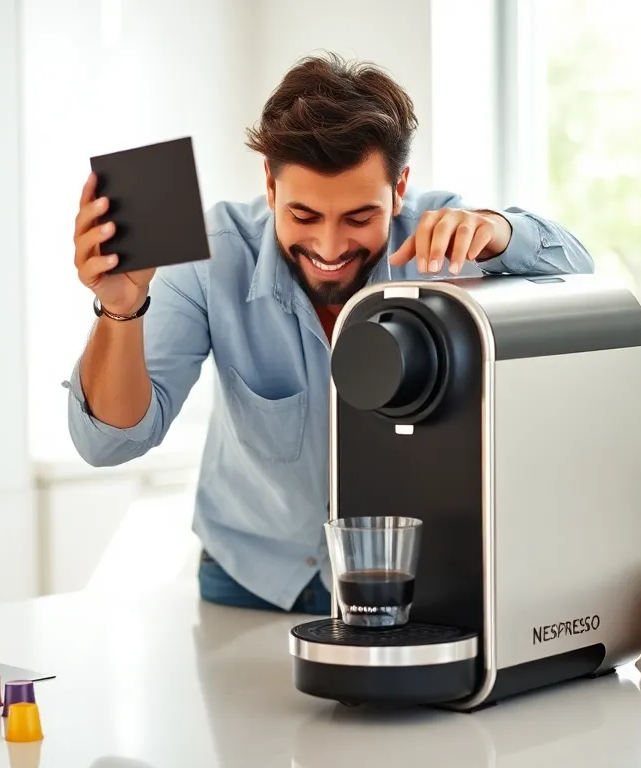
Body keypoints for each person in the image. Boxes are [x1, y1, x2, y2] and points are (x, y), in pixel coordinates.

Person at [65, 52, 594, 614]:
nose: (331, 248)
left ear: (400, 188)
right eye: (305, 216)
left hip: (407, 577)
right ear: (269, 186)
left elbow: (579, 272)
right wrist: (120, 309)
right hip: (252, 580)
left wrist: (501, 230)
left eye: (360, 218)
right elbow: (108, 443)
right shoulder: (211, 254)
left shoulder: (441, 241)